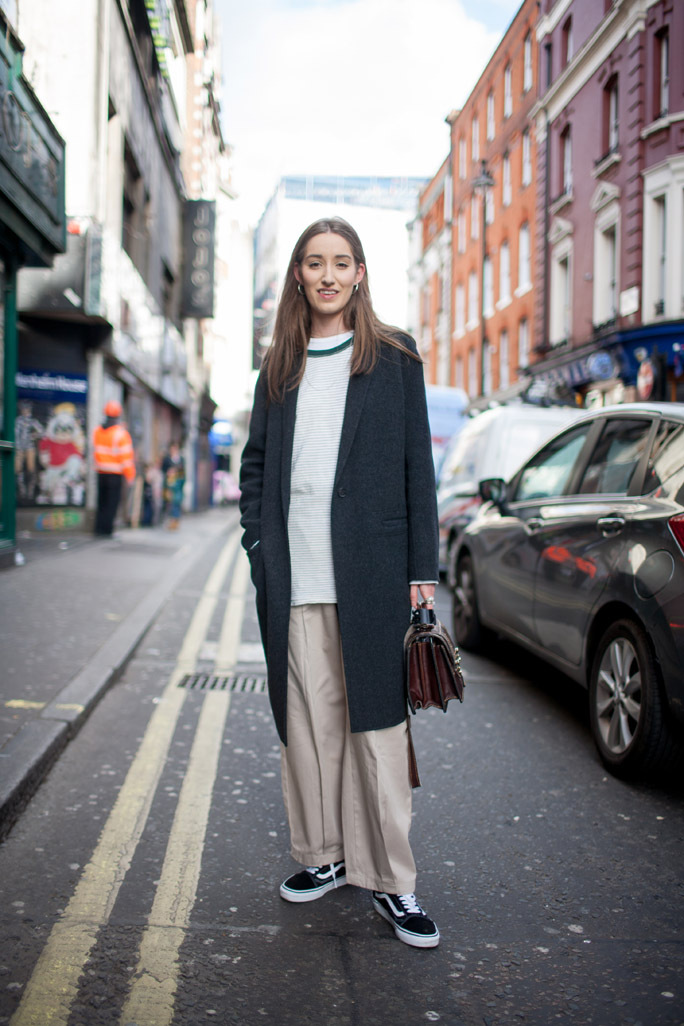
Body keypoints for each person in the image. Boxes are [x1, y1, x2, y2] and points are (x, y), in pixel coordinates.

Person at [239, 217, 440, 948]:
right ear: (298, 275)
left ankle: (394, 882)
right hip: (293, 580)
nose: (327, 275)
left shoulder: (394, 357)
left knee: (378, 735)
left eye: (341, 262)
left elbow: (420, 465)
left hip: (376, 577)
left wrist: (423, 571)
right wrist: (259, 544)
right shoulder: (280, 362)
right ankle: (322, 857)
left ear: (360, 273)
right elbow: (256, 465)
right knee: (309, 731)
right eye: (314, 263)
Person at [93, 400, 136, 536]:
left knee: (102, 502)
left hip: (101, 472)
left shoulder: (98, 431)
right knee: (111, 503)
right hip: (114, 474)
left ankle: (99, 529)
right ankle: (107, 530)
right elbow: (126, 459)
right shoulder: (121, 434)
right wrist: (130, 476)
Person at [161, 442, 186, 529]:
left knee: (176, 502)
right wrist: (168, 472)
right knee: (169, 502)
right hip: (169, 484)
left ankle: (175, 521)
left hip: (177, 484)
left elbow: (183, 472)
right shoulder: (167, 459)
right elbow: (163, 470)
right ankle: (170, 521)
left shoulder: (181, 459)